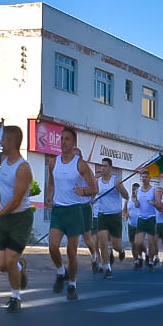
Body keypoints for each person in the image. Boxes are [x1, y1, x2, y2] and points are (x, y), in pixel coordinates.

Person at [0, 125, 34, 311]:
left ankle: (16, 297)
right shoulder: (4, 159)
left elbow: (16, 200)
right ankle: (20, 267)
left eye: (3, 139)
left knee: (10, 260)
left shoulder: (23, 168)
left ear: (12, 142)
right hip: (5, 217)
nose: (1, 143)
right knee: (0, 264)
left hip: (20, 219)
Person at [46, 127, 97, 300]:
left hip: (74, 211)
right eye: (61, 139)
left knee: (71, 252)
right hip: (58, 210)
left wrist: (83, 191)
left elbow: (94, 188)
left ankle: (72, 284)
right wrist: (48, 196)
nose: (63, 142)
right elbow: (51, 183)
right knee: (52, 246)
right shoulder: (53, 162)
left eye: (67, 139)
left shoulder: (80, 164)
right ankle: (61, 271)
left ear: (73, 143)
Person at [93, 158, 129, 279]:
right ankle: (107, 268)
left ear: (110, 168)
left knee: (116, 245)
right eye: (101, 166)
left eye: (105, 166)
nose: (102, 168)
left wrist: (120, 188)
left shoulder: (116, 181)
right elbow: (93, 195)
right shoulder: (97, 181)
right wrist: (92, 199)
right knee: (102, 243)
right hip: (102, 215)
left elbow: (126, 195)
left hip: (115, 216)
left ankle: (121, 250)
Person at [133, 172, 159, 269]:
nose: (144, 179)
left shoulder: (153, 190)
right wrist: (136, 203)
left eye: (146, 177)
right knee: (138, 242)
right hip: (141, 218)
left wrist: (154, 203)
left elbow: (158, 204)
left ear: (150, 178)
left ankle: (151, 261)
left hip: (151, 218)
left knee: (151, 242)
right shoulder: (138, 190)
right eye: (142, 177)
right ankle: (141, 256)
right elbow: (137, 203)